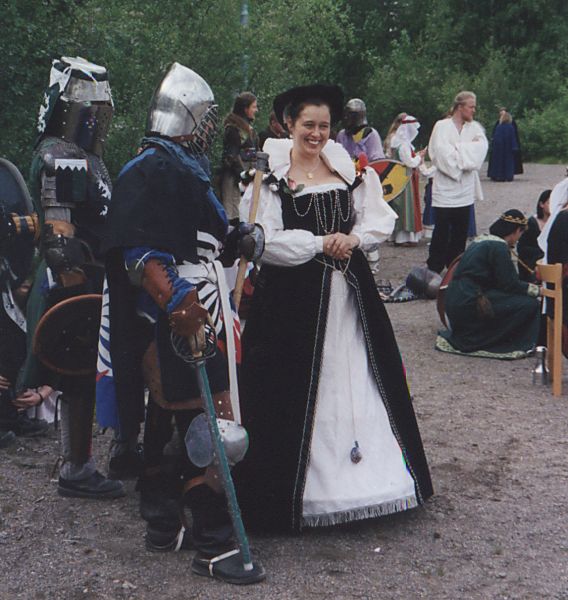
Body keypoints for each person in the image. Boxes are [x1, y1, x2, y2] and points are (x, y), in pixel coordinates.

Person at [236, 84, 433, 532]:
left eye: (324, 126)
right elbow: (265, 241)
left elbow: (378, 217)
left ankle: (373, 481)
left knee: (361, 376)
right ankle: (303, 494)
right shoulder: (268, 179)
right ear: (289, 124)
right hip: (292, 304)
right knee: (298, 387)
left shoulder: (347, 170)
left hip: (351, 298)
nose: (316, 134)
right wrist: (319, 243)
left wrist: (355, 237)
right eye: (308, 124)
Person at [102, 62, 264, 584]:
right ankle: (215, 544)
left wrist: (238, 236)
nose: (211, 129)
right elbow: (141, 252)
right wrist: (181, 305)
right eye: (206, 120)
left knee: (168, 408)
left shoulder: (176, 164)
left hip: (192, 297)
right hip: (180, 307)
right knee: (204, 415)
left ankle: (163, 520)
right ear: (190, 120)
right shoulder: (152, 167)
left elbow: (201, 232)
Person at [20, 57, 124, 499]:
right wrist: (75, 291)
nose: (94, 118)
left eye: (100, 109)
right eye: (87, 108)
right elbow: (60, 238)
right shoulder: (60, 156)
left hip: (91, 278)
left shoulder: (85, 158)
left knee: (84, 376)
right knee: (78, 375)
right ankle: (76, 468)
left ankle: (81, 463)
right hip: (73, 281)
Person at [436, 210, 540, 359]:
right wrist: (537, 290)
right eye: (520, 233)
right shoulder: (498, 247)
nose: (518, 238)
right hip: (469, 300)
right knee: (529, 304)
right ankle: (513, 343)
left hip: (456, 299)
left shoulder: (481, 240)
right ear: (516, 230)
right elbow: (509, 284)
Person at [426, 91, 488, 274]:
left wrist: (458, 150)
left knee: (460, 232)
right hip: (445, 188)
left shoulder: (475, 128)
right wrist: (464, 158)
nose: (473, 110)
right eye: (471, 107)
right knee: (442, 230)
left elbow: (480, 150)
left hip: (465, 189)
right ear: (460, 107)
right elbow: (439, 153)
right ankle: (434, 267)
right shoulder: (442, 127)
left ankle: (455, 268)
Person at [384, 113, 426, 245]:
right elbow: (410, 162)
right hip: (405, 179)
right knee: (405, 207)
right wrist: (420, 156)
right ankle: (403, 238)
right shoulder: (403, 145)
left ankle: (399, 236)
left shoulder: (398, 143)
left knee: (399, 206)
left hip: (400, 178)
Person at [219, 92, 258, 226]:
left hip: (245, 177)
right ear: (245, 109)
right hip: (234, 179)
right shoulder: (233, 129)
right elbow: (231, 157)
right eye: (254, 107)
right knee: (233, 216)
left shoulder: (246, 128)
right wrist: (243, 176)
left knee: (245, 215)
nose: (256, 110)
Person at [336, 98, 385, 162]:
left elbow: (377, 161)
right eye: (346, 114)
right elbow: (337, 158)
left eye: (351, 114)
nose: (346, 117)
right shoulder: (342, 135)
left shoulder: (371, 134)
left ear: (359, 116)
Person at [517, 190, 551, 281]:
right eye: (549, 203)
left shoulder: (558, 221)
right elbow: (522, 248)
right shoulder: (531, 224)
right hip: (532, 264)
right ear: (541, 204)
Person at [487, 110, 518, 182]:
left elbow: (496, 137)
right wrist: (514, 147)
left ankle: (499, 176)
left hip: (499, 148)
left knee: (499, 162)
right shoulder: (510, 127)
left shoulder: (499, 127)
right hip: (508, 148)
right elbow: (513, 138)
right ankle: (508, 176)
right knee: (508, 162)